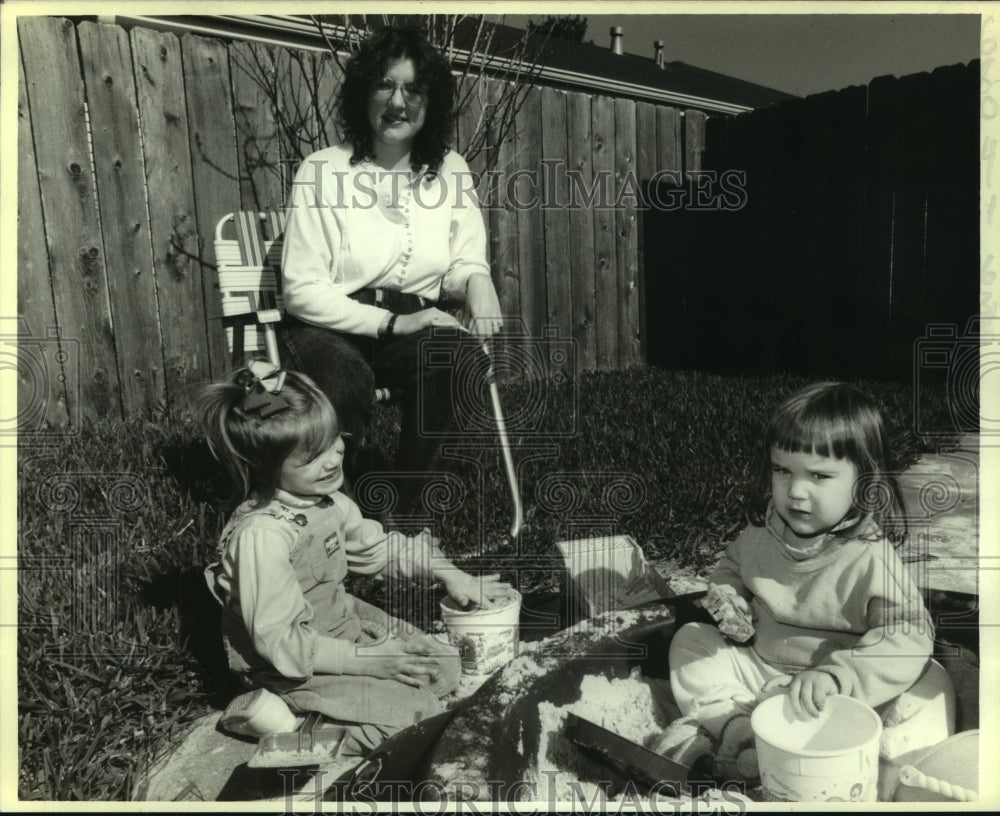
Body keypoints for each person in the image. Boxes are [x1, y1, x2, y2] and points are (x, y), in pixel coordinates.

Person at [200, 361, 511, 756]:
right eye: (312, 457)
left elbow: (379, 549)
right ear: (264, 469)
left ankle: (353, 697)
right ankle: (287, 723)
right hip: (287, 663)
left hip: (338, 621)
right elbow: (283, 644)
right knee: (418, 718)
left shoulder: (329, 503)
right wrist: (370, 661)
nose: (333, 459)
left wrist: (452, 575)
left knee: (446, 665)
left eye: (333, 441)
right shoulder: (263, 537)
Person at [655, 382, 940, 782]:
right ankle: (737, 727)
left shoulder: (870, 556)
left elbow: (909, 633)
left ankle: (886, 765)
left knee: (931, 679)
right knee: (690, 641)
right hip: (761, 674)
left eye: (820, 476)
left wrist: (836, 676)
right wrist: (731, 599)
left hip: (835, 697)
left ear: (865, 482)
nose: (796, 491)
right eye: (782, 470)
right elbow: (730, 571)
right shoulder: (762, 531)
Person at [277, 25, 504, 522]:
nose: (398, 102)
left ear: (432, 102)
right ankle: (336, 516)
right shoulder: (323, 170)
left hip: (413, 318)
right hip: (328, 323)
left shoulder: (451, 171)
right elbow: (301, 289)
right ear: (365, 93)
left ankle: (401, 516)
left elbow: (462, 260)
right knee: (342, 377)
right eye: (385, 85)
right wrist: (393, 325)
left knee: (458, 358)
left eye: (413, 89)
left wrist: (478, 282)